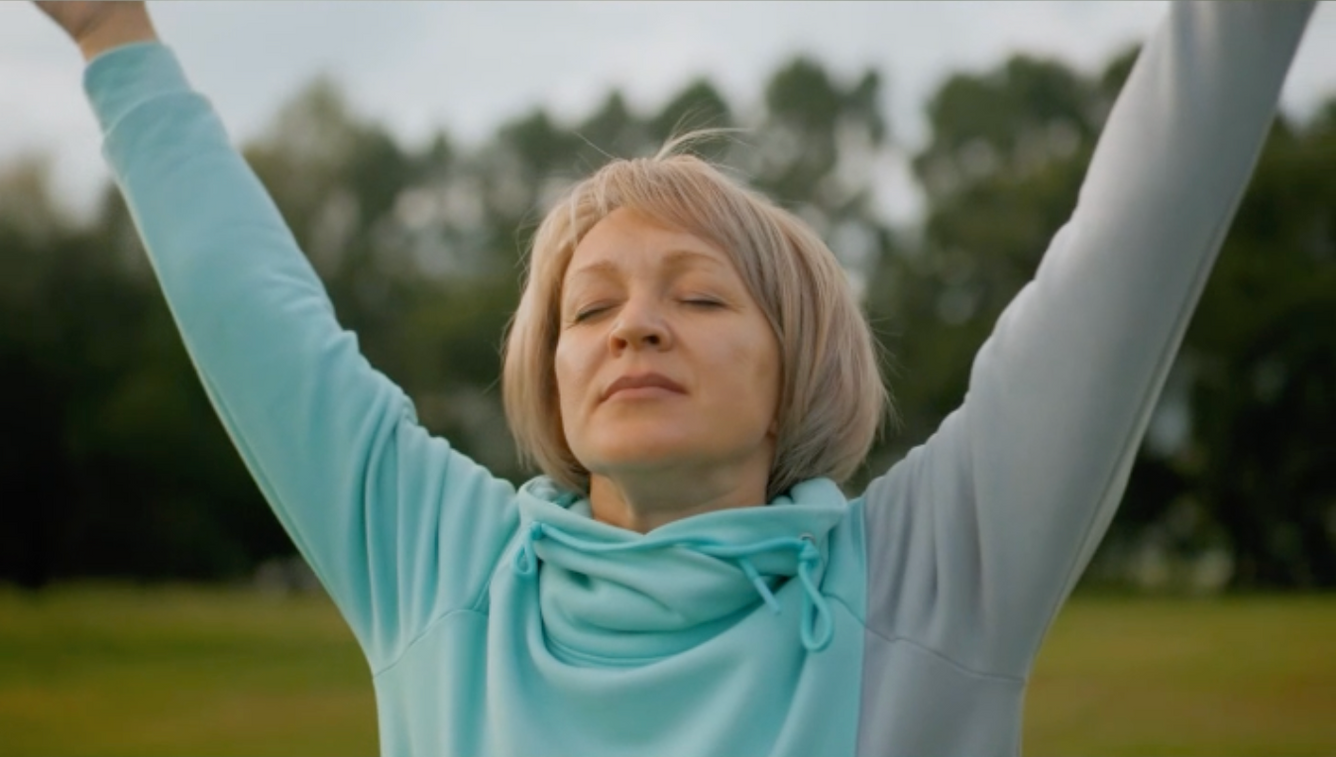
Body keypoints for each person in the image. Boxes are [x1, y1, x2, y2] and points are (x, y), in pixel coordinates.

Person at [32, 1, 1316, 755]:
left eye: (699, 297)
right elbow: (258, 314)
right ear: (551, 375)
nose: (633, 327)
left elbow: (1134, 236)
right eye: (589, 309)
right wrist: (111, 33)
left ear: (794, 368)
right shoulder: (439, 565)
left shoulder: (936, 576)